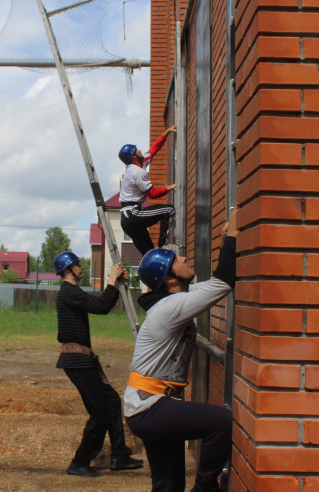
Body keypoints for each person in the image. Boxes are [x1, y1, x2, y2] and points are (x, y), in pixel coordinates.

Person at [122, 210, 238, 492]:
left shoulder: (175, 299)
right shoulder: (172, 306)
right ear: (170, 279)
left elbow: (210, 285)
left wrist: (226, 241)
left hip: (147, 404)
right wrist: (232, 237)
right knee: (221, 422)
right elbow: (222, 283)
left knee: (168, 485)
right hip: (149, 406)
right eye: (177, 260)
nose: (184, 258)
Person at [53, 251, 144, 478]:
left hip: (83, 359)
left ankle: (119, 455)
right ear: (67, 270)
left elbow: (101, 304)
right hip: (76, 361)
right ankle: (80, 461)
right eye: (77, 265)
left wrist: (112, 283)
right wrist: (112, 281)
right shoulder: (68, 291)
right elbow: (101, 306)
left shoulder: (71, 292)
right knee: (99, 412)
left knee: (112, 401)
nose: (81, 267)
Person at [118, 125, 179, 255]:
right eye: (136, 150)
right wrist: (172, 187)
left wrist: (166, 133)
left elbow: (153, 149)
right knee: (169, 210)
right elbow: (153, 194)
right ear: (134, 157)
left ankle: (155, 266)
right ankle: (164, 245)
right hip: (132, 214)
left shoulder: (140, 162)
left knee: (150, 254)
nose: (140, 150)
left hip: (127, 219)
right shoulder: (136, 171)